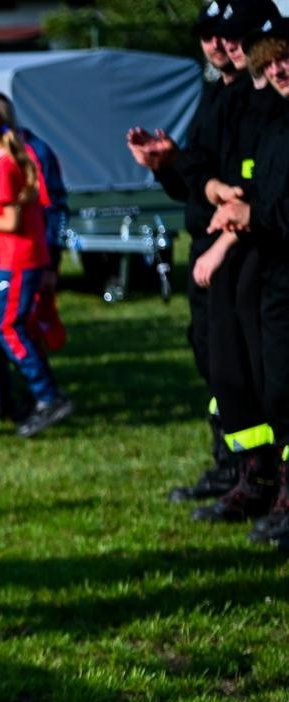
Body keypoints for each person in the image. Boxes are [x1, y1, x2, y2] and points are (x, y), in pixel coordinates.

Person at [128, 1, 243, 503]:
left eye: (227, 33)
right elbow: (199, 187)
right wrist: (167, 166)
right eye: (208, 35)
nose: (217, 44)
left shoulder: (253, 99)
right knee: (214, 364)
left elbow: (243, 193)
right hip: (205, 250)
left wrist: (222, 244)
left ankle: (254, 476)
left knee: (244, 370)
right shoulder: (216, 95)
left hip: (238, 251)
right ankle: (232, 465)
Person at [190, 0, 286, 525]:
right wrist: (207, 186)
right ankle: (252, 476)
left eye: (240, 39)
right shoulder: (227, 102)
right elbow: (199, 162)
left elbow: (266, 192)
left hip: (260, 255)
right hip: (235, 252)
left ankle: (269, 484)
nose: (227, 47)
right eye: (219, 36)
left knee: (273, 381)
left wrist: (230, 229)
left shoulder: (275, 108)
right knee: (230, 372)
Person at [0, 94, 73, 438]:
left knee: (8, 327)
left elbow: (11, 222)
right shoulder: (4, 162)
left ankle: (47, 396)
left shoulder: (5, 165)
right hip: (16, 258)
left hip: (18, 259)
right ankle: (42, 393)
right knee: (8, 325)